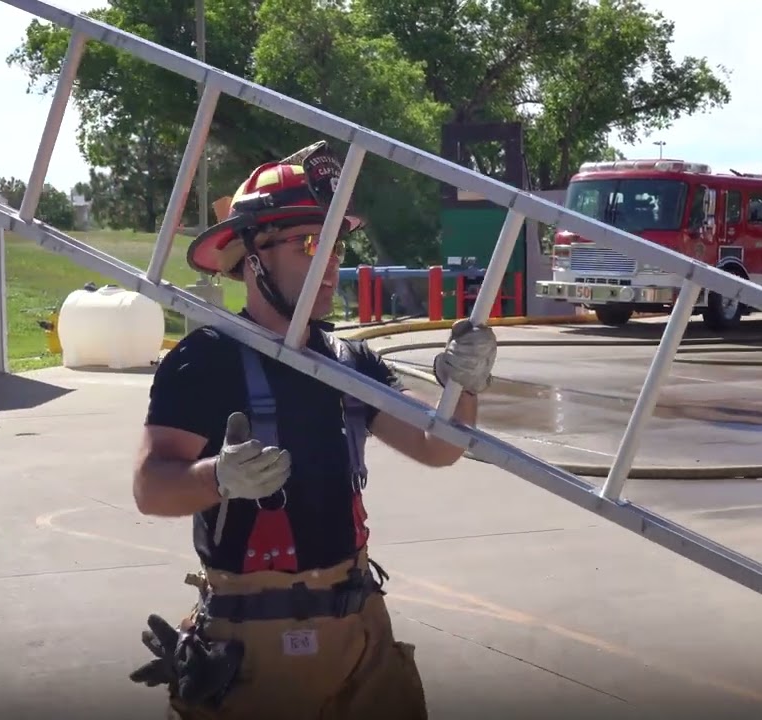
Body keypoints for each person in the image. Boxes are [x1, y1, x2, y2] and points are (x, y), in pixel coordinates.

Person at [128, 140, 499, 720]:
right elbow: (151, 488)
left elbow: (437, 447)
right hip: (256, 653)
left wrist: (464, 388)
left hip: (362, 634)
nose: (330, 263)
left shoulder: (349, 362)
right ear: (254, 257)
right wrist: (218, 478)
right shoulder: (205, 361)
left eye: (335, 245)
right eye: (310, 244)